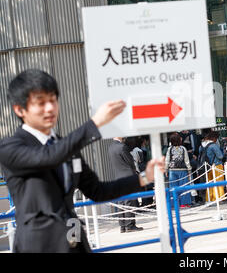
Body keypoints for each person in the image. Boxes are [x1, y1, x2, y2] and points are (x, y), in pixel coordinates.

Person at [0, 69, 165, 253]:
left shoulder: (66, 147)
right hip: (38, 244)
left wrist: (143, 177)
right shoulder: (10, 147)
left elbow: (98, 191)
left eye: (53, 100)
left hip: (74, 236)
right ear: (19, 109)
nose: (50, 108)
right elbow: (47, 157)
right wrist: (94, 124)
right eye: (40, 102)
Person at [108, 137, 143, 233]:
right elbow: (130, 161)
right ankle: (130, 225)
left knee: (121, 202)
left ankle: (122, 226)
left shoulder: (111, 147)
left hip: (118, 176)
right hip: (127, 175)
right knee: (129, 201)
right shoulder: (122, 147)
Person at [165, 133, 192, 208]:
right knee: (183, 187)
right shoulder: (183, 148)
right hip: (182, 170)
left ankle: (175, 204)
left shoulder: (169, 149)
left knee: (173, 188)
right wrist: (189, 170)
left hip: (172, 170)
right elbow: (186, 160)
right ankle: (184, 203)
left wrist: (166, 170)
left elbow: (167, 160)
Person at [199, 131, 225, 202]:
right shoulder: (213, 145)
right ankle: (219, 198)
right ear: (214, 138)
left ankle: (210, 198)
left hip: (207, 167)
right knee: (219, 182)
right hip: (216, 165)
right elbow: (220, 156)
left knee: (210, 183)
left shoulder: (201, 145)